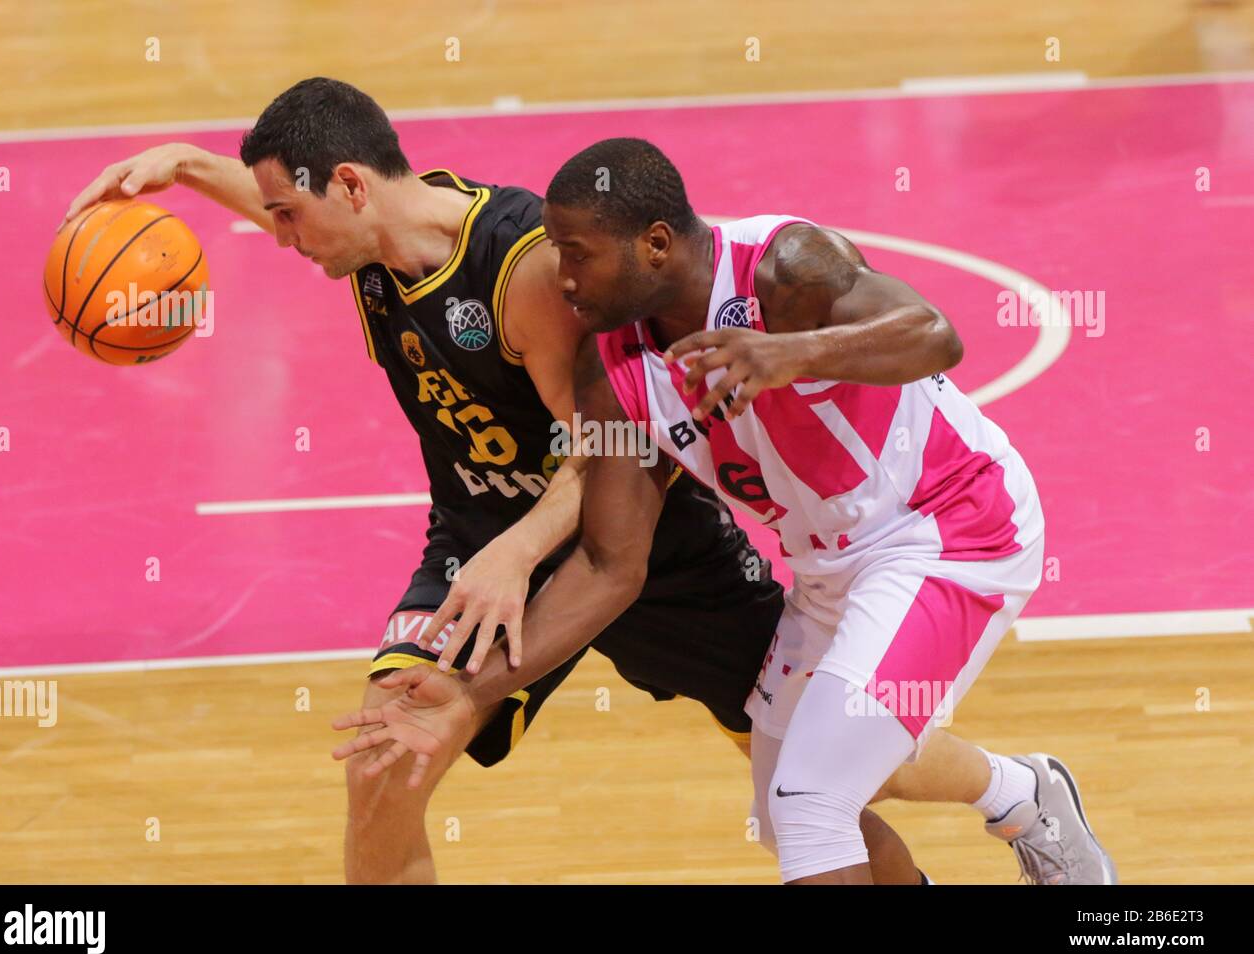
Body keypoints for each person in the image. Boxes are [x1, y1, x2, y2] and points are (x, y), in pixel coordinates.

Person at [335, 137, 1118, 886]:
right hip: (826, 569)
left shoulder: (784, 266)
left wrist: (790, 353)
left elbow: (934, 335)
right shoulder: (610, 369)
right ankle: (1026, 797)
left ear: (654, 244)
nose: (561, 277)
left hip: (948, 528)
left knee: (812, 800)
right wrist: (471, 696)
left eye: (577, 254)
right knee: (789, 814)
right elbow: (611, 566)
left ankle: (1021, 799)